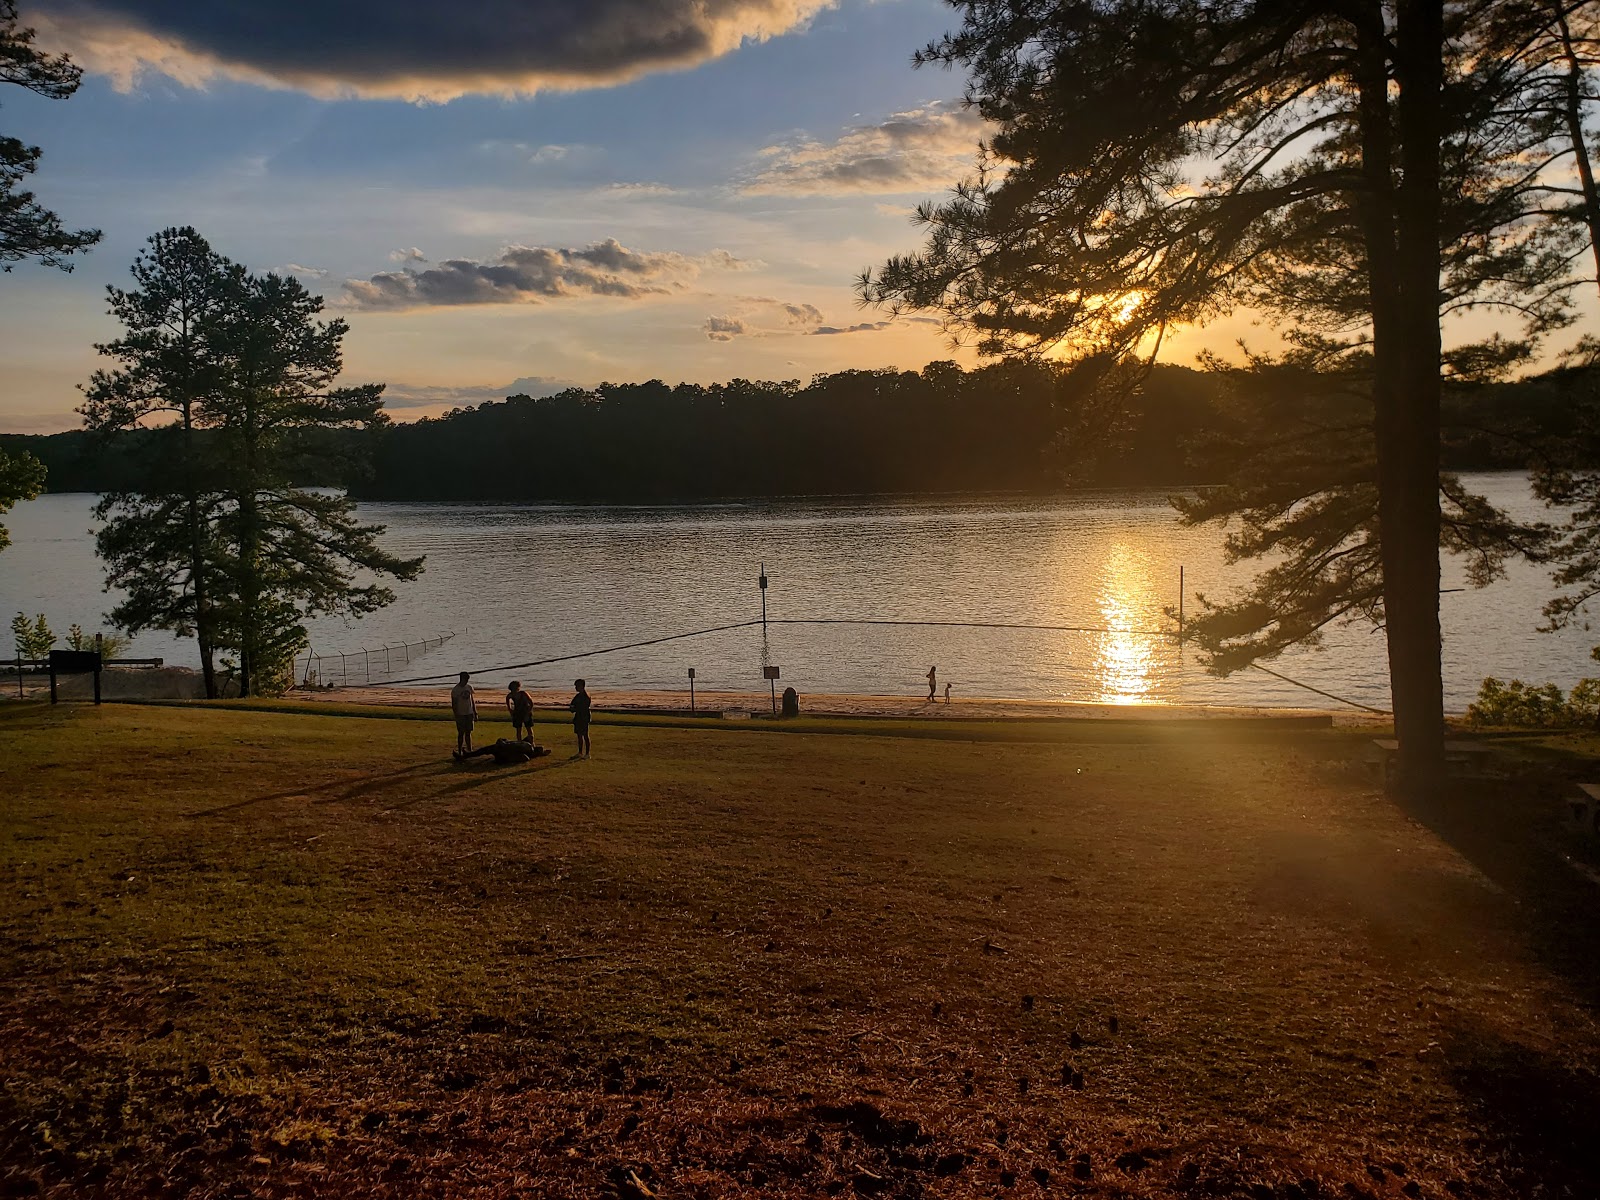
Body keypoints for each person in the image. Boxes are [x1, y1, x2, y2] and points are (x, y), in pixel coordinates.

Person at [455, 736, 549, 765]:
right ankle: (466, 755)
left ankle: (466, 755)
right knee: (484, 750)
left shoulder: (526, 753)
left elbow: (512, 755)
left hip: (503, 750)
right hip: (503, 748)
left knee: (484, 750)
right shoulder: (527, 747)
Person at [450, 671, 477, 755]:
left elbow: (472, 700)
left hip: (469, 712)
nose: (467, 681)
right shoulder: (455, 690)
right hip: (460, 713)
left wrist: (475, 712)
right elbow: (454, 703)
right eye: (466, 679)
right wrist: (456, 714)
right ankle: (459, 750)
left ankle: (469, 749)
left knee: (468, 732)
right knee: (461, 733)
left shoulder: (469, 687)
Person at [569, 678, 592, 759]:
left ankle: (587, 753)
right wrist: (573, 708)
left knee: (585, 735)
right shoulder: (578, 696)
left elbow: (582, 707)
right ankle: (580, 752)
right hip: (578, 717)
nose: (575, 688)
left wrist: (574, 708)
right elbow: (572, 704)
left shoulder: (586, 696)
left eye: (577, 686)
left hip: (584, 717)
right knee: (579, 735)